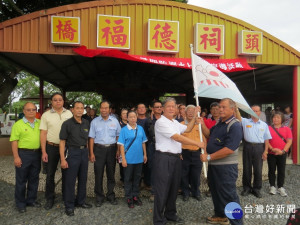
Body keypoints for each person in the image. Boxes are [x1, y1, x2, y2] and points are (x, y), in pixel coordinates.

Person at [153, 97, 204, 225]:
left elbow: (186, 129)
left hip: (176, 158)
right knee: (162, 189)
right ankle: (158, 219)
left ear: (176, 109)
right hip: (164, 158)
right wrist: (197, 143)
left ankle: (170, 213)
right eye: (168, 106)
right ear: (163, 109)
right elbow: (177, 137)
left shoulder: (175, 122)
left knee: (174, 187)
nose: (171, 108)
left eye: (173, 106)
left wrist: (194, 117)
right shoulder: (161, 122)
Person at [200, 98, 243, 225]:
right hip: (214, 166)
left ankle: (237, 222)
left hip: (226, 168)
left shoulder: (234, 125)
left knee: (229, 196)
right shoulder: (219, 123)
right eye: (220, 107)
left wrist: (209, 157)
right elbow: (209, 135)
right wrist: (201, 123)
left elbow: (229, 149)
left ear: (232, 109)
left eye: (224, 107)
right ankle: (221, 215)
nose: (220, 109)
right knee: (216, 192)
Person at [40, 93, 73, 210]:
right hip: (51, 147)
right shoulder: (46, 115)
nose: (58, 102)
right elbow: (43, 134)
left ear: (63, 101)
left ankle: (66, 196)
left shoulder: (69, 114)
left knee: (67, 173)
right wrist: (43, 151)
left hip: (67, 148)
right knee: (50, 174)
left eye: (60, 100)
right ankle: (50, 198)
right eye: (55, 100)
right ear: (51, 102)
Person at [59, 101, 92, 216]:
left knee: (83, 178)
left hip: (84, 152)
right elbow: (62, 142)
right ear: (72, 110)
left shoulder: (86, 123)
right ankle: (69, 205)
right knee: (70, 180)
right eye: (77, 108)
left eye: (81, 108)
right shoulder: (67, 124)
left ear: (84, 110)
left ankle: (81, 201)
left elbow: (88, 139)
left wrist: (88, 152)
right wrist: (63, 159)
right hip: (72, 152)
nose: (79, 110)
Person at [10, 102, 41, 213]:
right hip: (23, 154)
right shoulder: (18, 124)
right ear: (24, 111)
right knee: (21, 179)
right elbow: (14, 141)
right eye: (29, 110)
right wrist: (16, 157)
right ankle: (20, 203)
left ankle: (31, 200)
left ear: (36, 111)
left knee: (34, 178)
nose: (31, 111)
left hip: (37, 154)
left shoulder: (39, 123)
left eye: (33, 109)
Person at [89, 101, 121, 206]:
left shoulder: (115, 121)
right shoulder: (94, 121)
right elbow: (91, 138)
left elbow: (118, 136)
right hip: (99, 150)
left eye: (106, 108)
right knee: (98, 174)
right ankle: (99, 197)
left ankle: (111, 195)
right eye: (102, 108)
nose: (104, 110)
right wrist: (91, 153)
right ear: (100, 109)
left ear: (109, 109)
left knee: (111, 174)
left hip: (111, 149)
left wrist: (118, 150)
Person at [118, 111, 147, 208]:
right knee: (128, 178)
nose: (132, 119)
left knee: (137, 178)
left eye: (134, 117)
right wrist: (123, 159)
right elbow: (121, 145)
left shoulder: (141, 129)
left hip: (139, 158)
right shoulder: (124, 130)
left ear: (137, 117)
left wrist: (145, 154)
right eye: (130, 117)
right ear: (127, 118)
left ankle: (135, 195)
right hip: (128, 159)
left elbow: (143, 142)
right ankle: (129, 197)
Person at [240, 105, 271, 198]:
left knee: (258, 169)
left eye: (256, 111)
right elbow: (237, 116)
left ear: (259, 112)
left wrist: (265, 152)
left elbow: (266, 139)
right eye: (252, 111)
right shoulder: (245, 121)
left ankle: (257, 189)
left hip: (259, 148)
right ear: (250, 112)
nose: (255, 112)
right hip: (247, 146)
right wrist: (235, 107)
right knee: (246, 168)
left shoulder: (264, 124)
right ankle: (247, 188)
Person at [181, 105, 205, 202]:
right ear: (185, 113)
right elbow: (177, 140)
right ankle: (185, 193)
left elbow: (203, 139)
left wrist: (205, 152)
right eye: (189, 111)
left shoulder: (199, 124)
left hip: (197, 153)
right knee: (184, 174)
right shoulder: (181, 125)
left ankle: (196, 192)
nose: (190, 112)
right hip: (184, 153)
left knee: (196, 174)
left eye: (193, 111)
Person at [267, 112, 292, 196]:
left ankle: (281, 187)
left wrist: (283, 151)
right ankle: (272, 186)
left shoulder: (287, 129)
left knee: (281, 170)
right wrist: (272, 149)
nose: (276, 119)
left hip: (282, 153)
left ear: (282, 119)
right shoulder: (268, 128)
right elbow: (266, 140)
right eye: (274, 117)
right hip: (271, 153)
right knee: (271, 170)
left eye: (278, 118)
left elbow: (289, 141)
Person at [147, 100, 163, 201]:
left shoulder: (166, 119)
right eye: (156, 107)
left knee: (163, 168)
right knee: (153, 168)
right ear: (153, 109)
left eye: (160, 107)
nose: (159, 108)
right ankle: (153, 191)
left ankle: (162, 190)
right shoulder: (148, 120)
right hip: (152, 145)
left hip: (163, 146)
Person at [117, 108, 129, 183]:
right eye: (123, 113)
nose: (125, 115)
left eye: (126, 113)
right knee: (122, 164)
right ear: (121, 116)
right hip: (121, 147)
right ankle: (123, 179)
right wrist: (117, 150)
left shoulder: (132, 123)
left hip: (130, 148)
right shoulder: (118, 124)